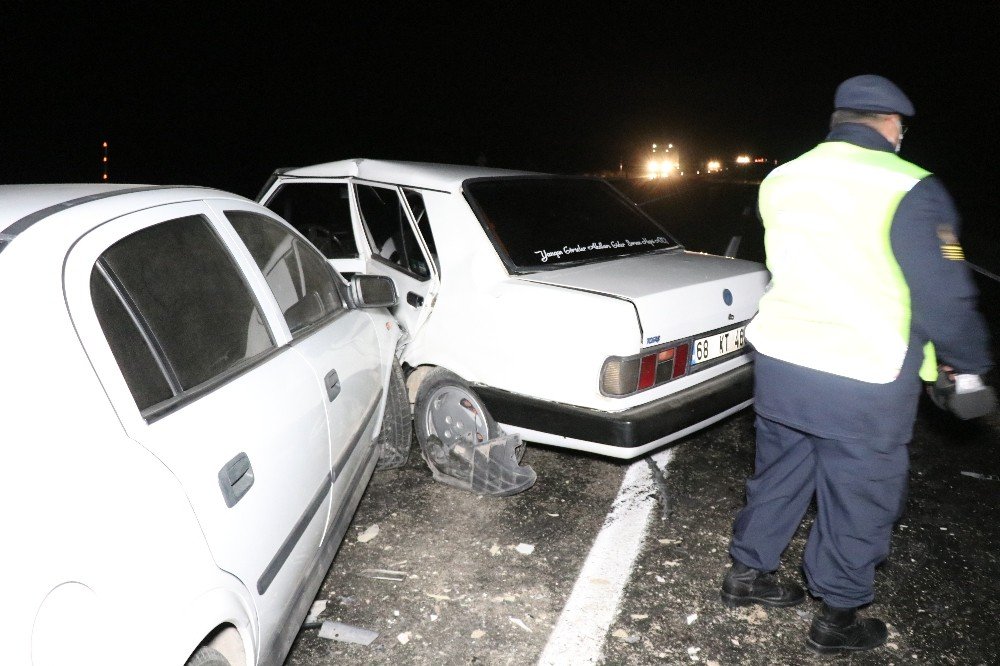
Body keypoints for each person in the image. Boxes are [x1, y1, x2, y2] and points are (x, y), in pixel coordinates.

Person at [719, 74, 995, 655]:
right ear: (893, 126)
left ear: (839, 123)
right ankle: (837, 616)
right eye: (902, 129)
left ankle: (747, 574)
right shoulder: (910, 185)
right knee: (860, 494)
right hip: (864, 371)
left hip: (781, 358)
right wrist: (969, 365)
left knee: (780, 472)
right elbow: (943, 295)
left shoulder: (783, 177)